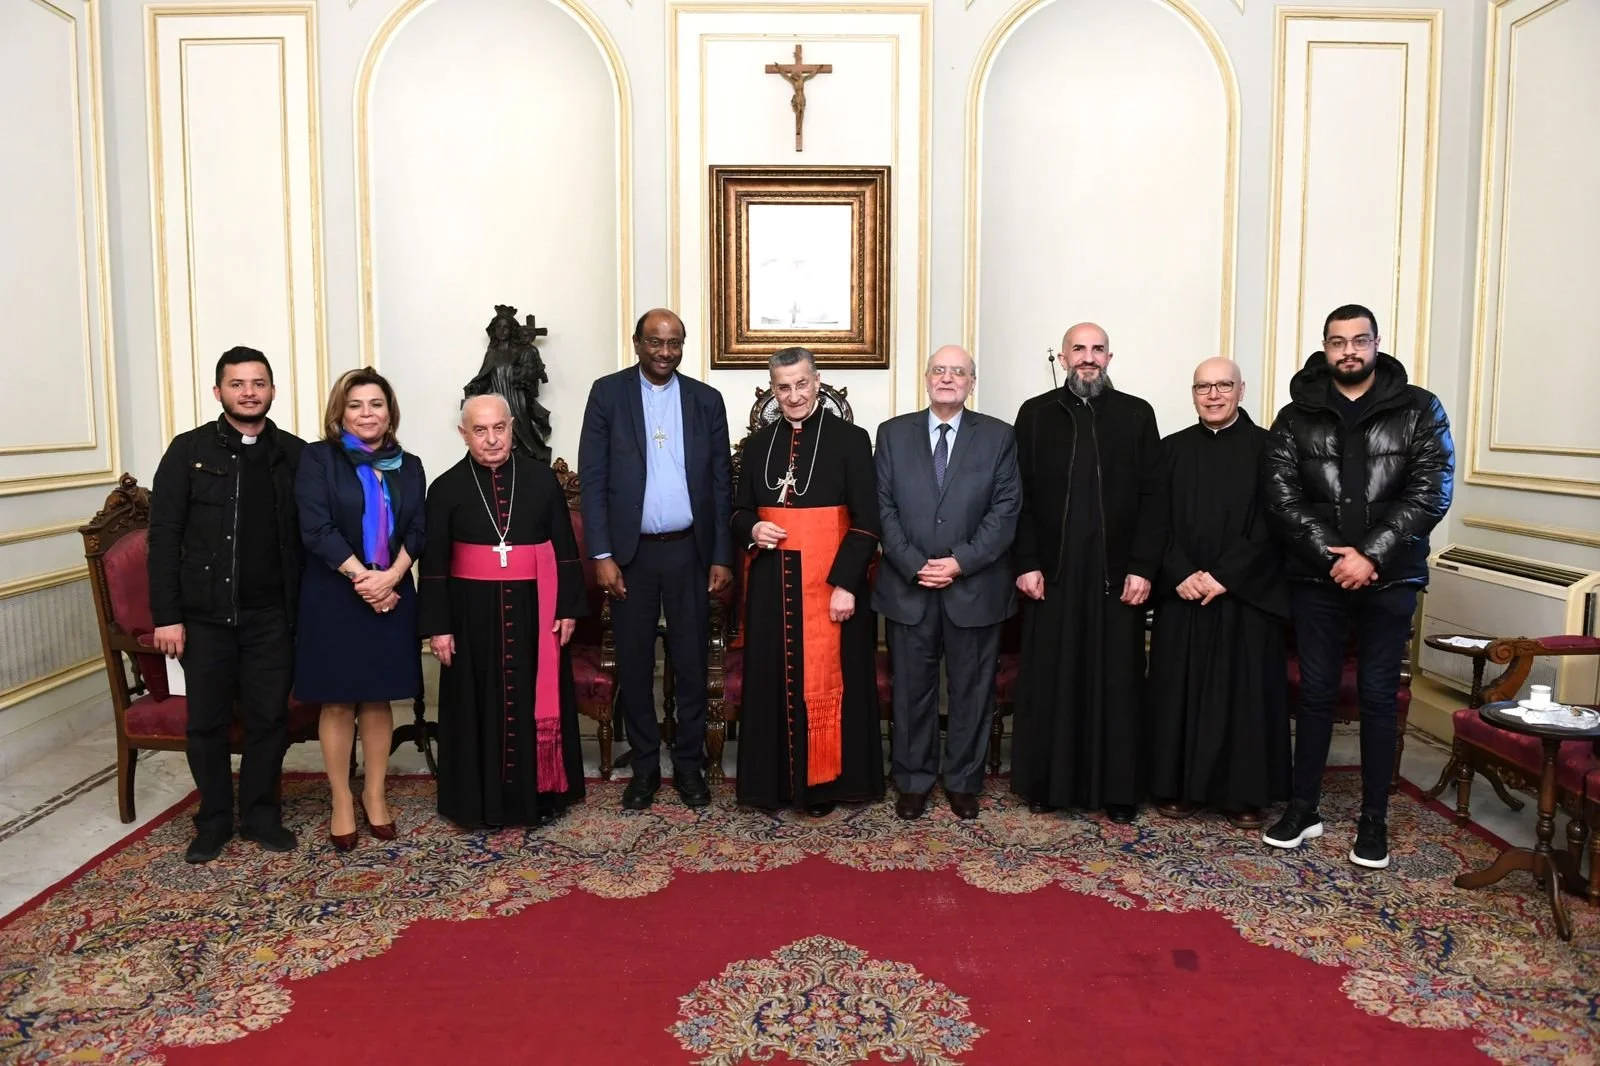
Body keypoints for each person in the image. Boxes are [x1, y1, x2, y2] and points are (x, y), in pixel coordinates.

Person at [1261, 304, 1453, 869]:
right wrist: (1332, 557)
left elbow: (1431, 491)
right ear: (1324, 347)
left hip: (1390, 578)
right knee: (1316, 695)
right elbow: (1281, 497)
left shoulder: (1420, 409)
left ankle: (1373, 820)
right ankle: (1304, 809)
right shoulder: (1295, 416)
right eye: (1338, 342)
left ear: (1376, 344)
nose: (1349, 351)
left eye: (1359, 341)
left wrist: (1371, 555)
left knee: (1376, 698)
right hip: (1315, 580)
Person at [148, 346, 305, 863]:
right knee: (207, 723)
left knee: (268, 720)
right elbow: (164, 536)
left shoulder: (295, 454)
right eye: (237, 384)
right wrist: (166, 615)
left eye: (258, 383)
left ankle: (261, 815)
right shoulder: (188, 451)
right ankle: (213, 820)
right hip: (206, 615)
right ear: (219, 392)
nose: (249, 392)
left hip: (271, 617)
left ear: (273, 391)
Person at [578, 308, 733, 811]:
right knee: (636, 663)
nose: (665, 352)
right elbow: (593, 479)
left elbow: (719, 484)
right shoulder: (608, 394)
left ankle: (688, 767)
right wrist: (601, 554)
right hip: (630, 556)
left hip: (689, 551)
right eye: (655, 342)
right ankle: (644, 767)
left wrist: (721, 554)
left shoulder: (706, 400)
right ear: (637, 343)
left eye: (675, 343)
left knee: (690, 662)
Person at [1010, 322, 1165, 823]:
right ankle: (1046, 786)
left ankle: (1117, 790)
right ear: (1062, 356)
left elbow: (1152, 500)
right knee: (1053, 680)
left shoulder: (1137, 415)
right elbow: (1020, 498)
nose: (1088, 358)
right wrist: (1027, 562)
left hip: (1115, 577)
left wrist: (1143, 567)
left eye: (1097, 350)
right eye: (1079, 349)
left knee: (1117, 683)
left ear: (1110, 357)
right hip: (1051, 576)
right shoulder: (1035, 414)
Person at [419, 394, 587, 828]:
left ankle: (540, 796)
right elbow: (434, 563)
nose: (491, 439)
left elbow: (564, 550)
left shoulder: (540, 480)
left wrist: (567, 606)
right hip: (471, 618)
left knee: (533, 696)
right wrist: (439, 628)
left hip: (536, 610)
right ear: (464, 434)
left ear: (512, 428)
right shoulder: (445, 488)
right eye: (480, 430)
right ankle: (476, 801)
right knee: (476, 702)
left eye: (499, 428)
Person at [732, 347, 884, 815]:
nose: (793, 395)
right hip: (771, 586)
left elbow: (868, 520)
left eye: (801, 384)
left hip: (832, 583)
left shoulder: (851, 439)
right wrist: (753, 529)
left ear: (817, 382)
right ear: (773, 389)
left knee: (832, 681)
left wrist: (846, 584)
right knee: (773, 680)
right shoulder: (757, 445)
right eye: (783, 387)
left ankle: (825, 788)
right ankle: (771, 785)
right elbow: (737, 511)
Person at [873, 346, 1020, 820]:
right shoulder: (892, 435)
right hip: (908, 586)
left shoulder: (998, 437)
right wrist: (915, 563)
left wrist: (959, 562)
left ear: (971, 383)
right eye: (940, 370)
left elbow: (1005, 511)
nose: (948, 378)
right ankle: (912, 781)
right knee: (910, 690)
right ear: (926, 377)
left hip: (973, 588)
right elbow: (883, 509)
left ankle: (963, 780)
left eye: (959, 372)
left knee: (971, 690)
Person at [1146, 358, 1290, 830]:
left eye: (1223, 385)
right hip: (1182, 595)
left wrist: (1225, 575)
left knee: (1243, 697)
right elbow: (1152, 524)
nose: (1213, 395)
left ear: (1241, 390)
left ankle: (1243, 794)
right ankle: (1179, 787)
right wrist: (1181, 572)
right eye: (1203, 387)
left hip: (1245, 598)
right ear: (1193, 394)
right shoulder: (1169, 451)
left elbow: (1276, 524)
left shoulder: (1271, 450)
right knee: (1178, 692)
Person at [293, 369, 426, 850]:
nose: (367, 413)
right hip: (335, 593)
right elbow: (316, 528)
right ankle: (340, 800)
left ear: (389, 412)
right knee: (338, 699)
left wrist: (391, 577)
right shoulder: (318, 459)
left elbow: (419, 529)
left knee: (378, 697)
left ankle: (374, 794)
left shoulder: (408, 465)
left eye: (376, 404)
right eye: (356, 405)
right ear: (340, 412)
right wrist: (363, 578)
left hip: (391, 591)